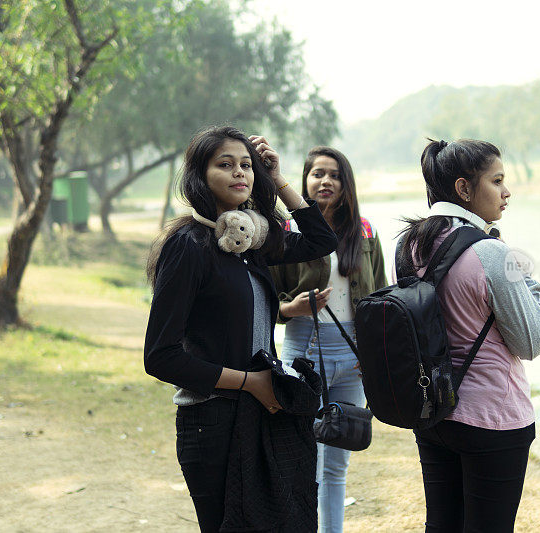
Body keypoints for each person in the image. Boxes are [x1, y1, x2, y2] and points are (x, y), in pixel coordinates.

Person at [144, 126, 338, 532]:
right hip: (210, 422)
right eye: (225, 165)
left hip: (258, 414)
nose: (239, 174)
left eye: (247, 166)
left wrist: (278, 177)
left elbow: (321, 240)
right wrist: (251, 382)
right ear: (200, 175)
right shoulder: (189, 245)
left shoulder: (250, 239)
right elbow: (160, 357)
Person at [398, 139, 540, 532]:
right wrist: (524, 275)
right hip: (493, 418)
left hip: (432, 409)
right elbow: (534, 340)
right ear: (464, 189)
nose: (506, 192)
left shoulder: (408, 244)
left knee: (443, 525)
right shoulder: (490, 253)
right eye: (497, 180)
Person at [270, 146, 387, 533]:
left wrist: (373, 353)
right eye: (317, 174)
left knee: (337, 463)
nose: (326, 181)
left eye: (334, 175)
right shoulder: (288, 231)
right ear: (304, 181)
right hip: (303, 353)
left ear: (346, 183)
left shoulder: (365, 231)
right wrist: (292, 309)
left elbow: (382, 299)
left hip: (353, 359)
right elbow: (263, 302)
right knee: (303, 458)